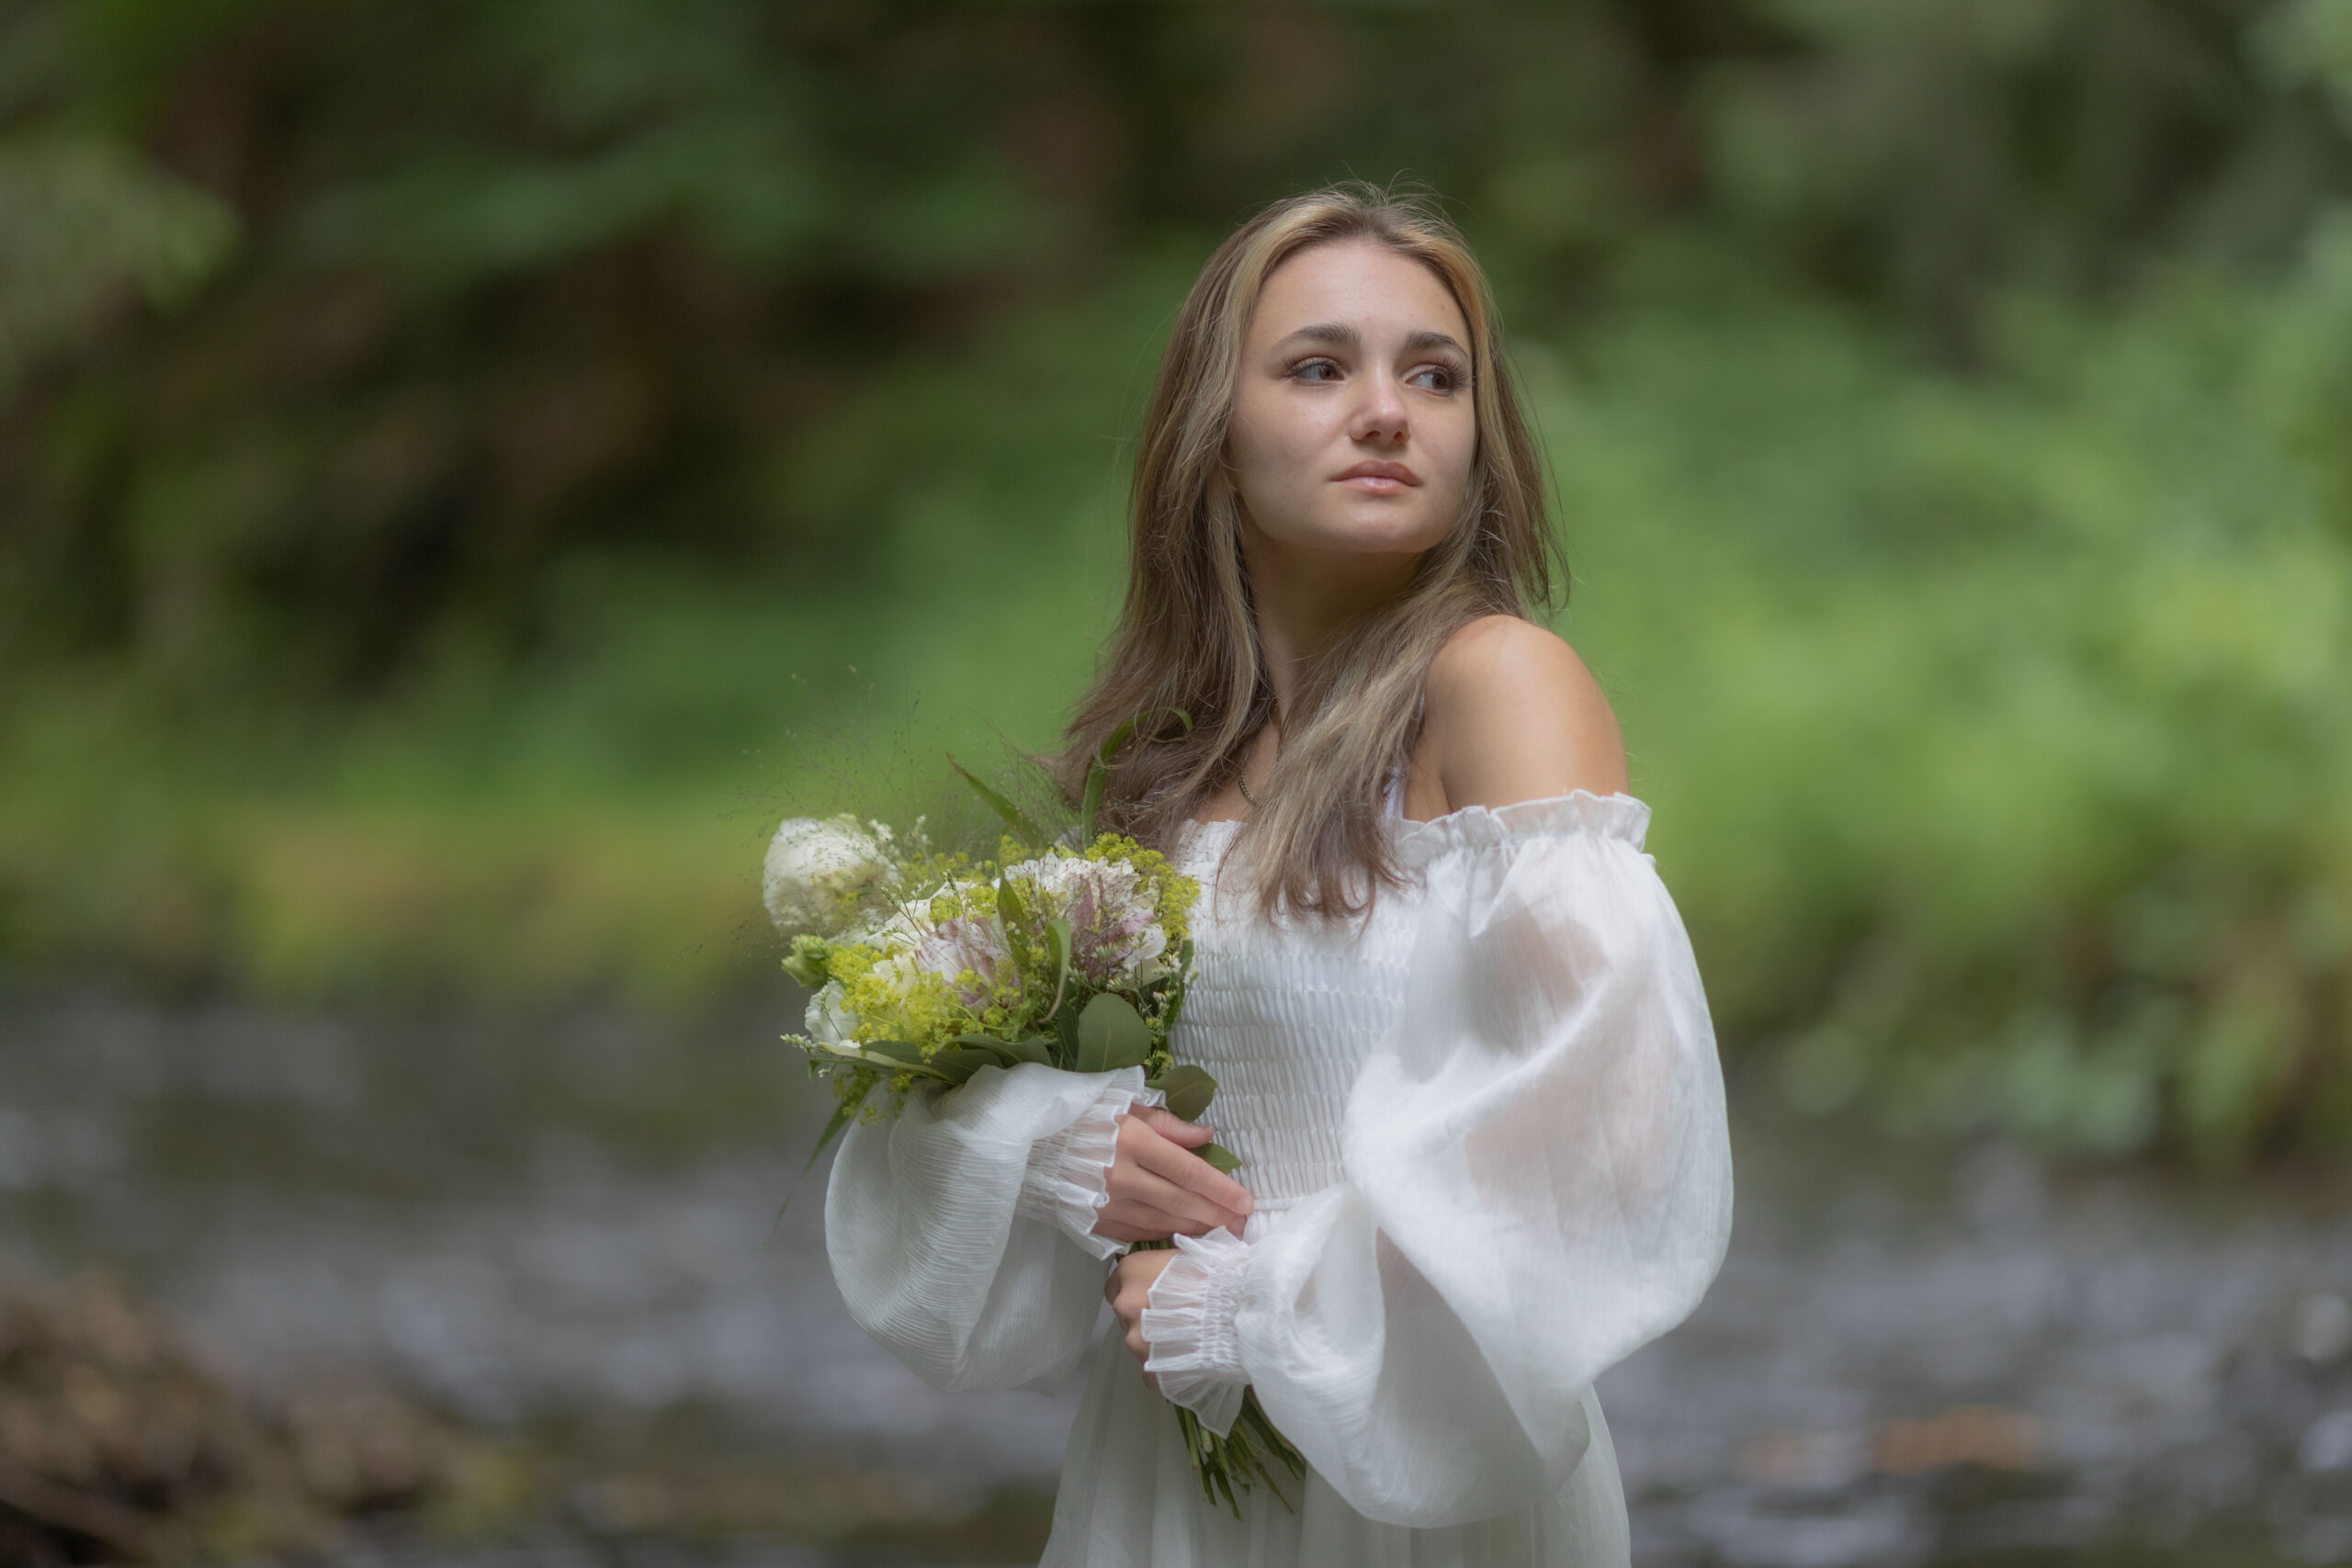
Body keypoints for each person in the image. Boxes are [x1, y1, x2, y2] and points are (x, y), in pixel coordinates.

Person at [823, 182, 1734, 1567]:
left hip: (1419, 1481)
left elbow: (1608, 1138)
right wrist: (1059, 1148)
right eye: (1319, 368)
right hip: (1166, 1470)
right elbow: (938, 1131)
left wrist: (1250, 1307)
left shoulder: (1499, 686)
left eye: (1434, 376)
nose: (1387, 412)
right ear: (1213, 438)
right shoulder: (1166, 759)